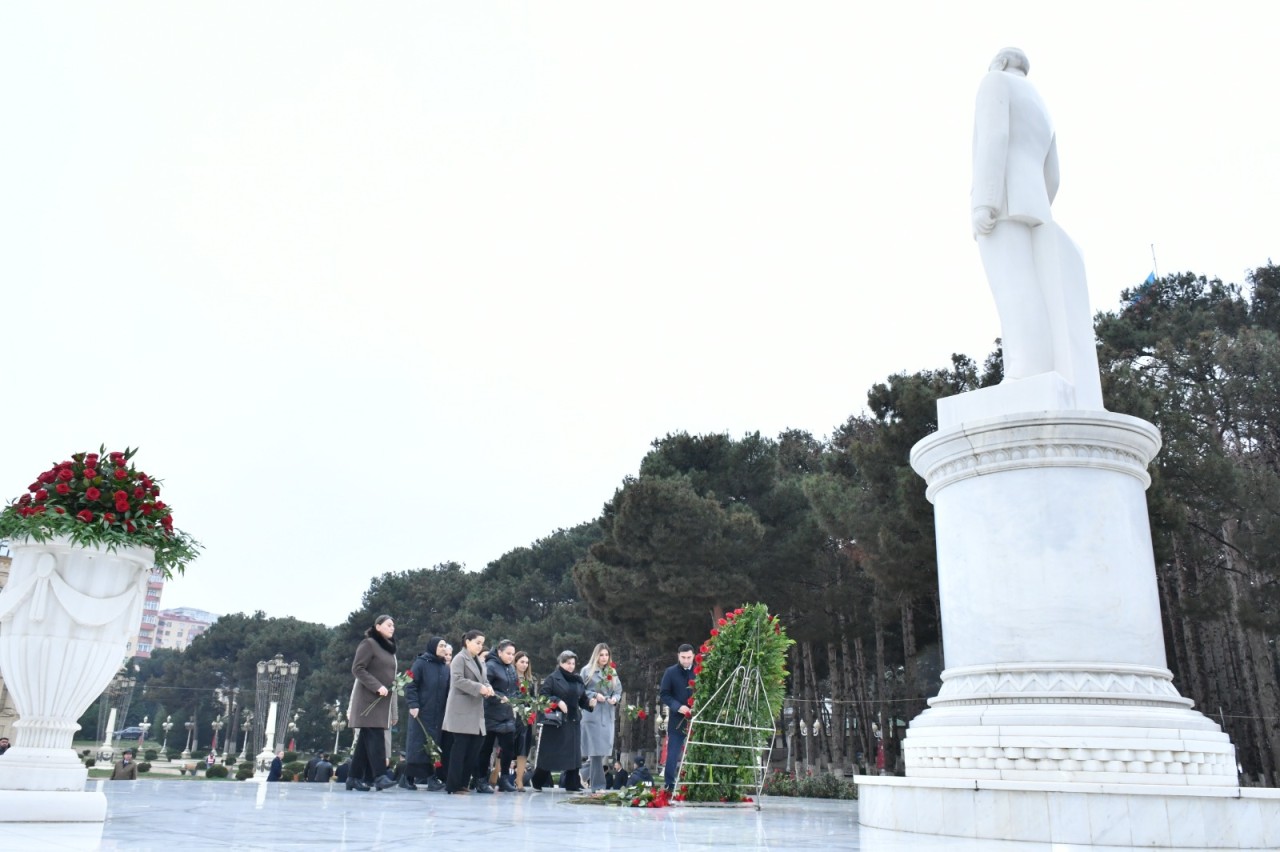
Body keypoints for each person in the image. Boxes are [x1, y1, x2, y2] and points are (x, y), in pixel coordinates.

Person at [971, 46, 1102, 408]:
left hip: (1002, 200)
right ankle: (1028, 366)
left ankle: (1027, 369)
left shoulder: (993, 82)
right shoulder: (1041, 106)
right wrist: (1038, 202)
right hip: (1034, 201)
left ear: (998, 62)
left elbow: (993, 138)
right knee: (1030, 285)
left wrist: (986, 200)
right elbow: (1054, 174)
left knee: (1012, 285)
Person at [530, 650, 595, 792]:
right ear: (560, 663)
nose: (571, 666)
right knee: (550, 753)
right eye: (567, 663)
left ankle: (572, 783)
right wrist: (557, 701)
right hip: (556, 722)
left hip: (573, 720)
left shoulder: (578, 679)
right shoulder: (553, 678)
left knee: (574, 754)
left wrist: (590, 703)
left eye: (573, 663)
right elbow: (543, 696)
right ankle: (538, 780)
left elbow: (582, 699)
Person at [348, 614, 399, 792]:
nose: (392, 628)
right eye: (388, 625)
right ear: (377, 626)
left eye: (393, 625)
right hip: (368, 701)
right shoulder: (369, 644)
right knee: (376, 735)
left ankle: (353, 778)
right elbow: (357, 668)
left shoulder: (389, 649)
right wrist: (377, 686)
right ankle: (380, 776)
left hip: (381, 702)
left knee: (364, 741)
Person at [441, 630, 495, 794]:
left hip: (476, 710)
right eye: (477, 642)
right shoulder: (459, 658)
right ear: (467, 642)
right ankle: (453, 785)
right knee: (460, 749)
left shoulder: (479, 660)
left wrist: (489, 687)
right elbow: (457, 680)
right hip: (461, 709)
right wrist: (479, 688)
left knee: (473, 749)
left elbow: (484, 679)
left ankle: (463, 783)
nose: (480, 646)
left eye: (482, 643)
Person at [402, 636, 449, 791]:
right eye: (441, 646)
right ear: (433, 647)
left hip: (438, 714)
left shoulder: (444, 667)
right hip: (421, 713)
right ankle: (407, 777)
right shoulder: (421, 663)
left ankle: (431, 778)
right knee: (418, 745)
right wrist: (413, 704)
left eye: (445, 646)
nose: (443, 648)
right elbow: (410, 684)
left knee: (433, 745)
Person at [478, 639, 520, 792]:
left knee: (508, 749)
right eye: (508, 653)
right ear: (499, 652)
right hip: (491, 713)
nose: (511, 657)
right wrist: (499, 697)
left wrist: (516, 699)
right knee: (486, 748)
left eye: (513, 654)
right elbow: (486, 687)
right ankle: (482, 780)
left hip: (507, 714)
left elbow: (515, 687)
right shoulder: (491, 666)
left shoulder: (511, 669)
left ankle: (504, 779)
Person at [579, 642, 622, 790]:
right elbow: (580, 691)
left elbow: (618, 691)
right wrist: (595, 695)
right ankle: (598, 785)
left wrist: (615, 699)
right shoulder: (587, 671)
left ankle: (582, 773)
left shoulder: (612, 672)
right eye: (601, 655)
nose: (604, 658)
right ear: (596, 655)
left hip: (608, 715)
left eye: (606, 655)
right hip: (592, 714)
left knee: (603, 750)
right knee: (595, 751)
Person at [659, 644, 695, 790]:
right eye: (683, 658)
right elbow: (664, 694)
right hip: (677, 718)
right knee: (673, 752)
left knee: (698, 750)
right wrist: (678, 707)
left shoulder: (702, 671)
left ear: (693, 656)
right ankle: (669, 784)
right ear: (678, 656)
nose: (686, 661)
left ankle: (695, 784)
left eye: (689, 658)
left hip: (697, 717)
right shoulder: (670, 672)